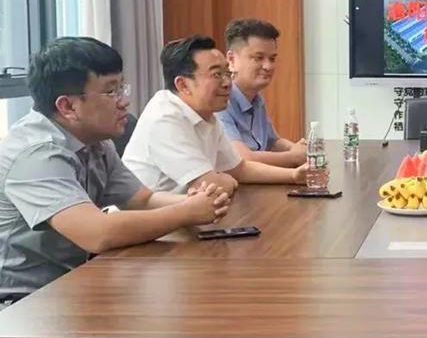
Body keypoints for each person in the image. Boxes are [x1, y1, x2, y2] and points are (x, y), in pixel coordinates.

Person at [0, 38, 230, 308]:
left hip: (73, 285)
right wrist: (186, 212)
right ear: (68, 106)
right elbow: (97, 233)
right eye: (111, 92)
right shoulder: (36, 155)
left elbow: (142, 199)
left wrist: (200, 202)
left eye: (122, 88)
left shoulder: (96, 141)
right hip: (21, 306)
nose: (124, 101)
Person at [122, 36, 312, 194]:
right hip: (148, 223)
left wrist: (294, 176)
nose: (227, 83)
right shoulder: (164, 119)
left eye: (227, 73)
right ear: (183, 85)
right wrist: (225, 180)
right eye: (216, 75)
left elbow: (239, 169)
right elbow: (211, 185)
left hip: (185, 216)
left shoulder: (207, 114)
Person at [217, 19, 306, 168]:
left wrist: (299, 149)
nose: (268, 66)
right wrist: (293, 157)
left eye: (272, 58)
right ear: (231, 60)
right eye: (258, 58)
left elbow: (273, 142)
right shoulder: (220, 100)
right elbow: (242, 159)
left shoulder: (256, 98)